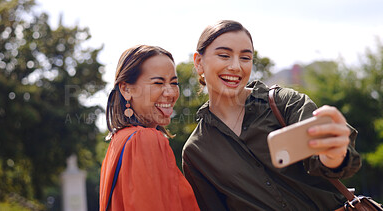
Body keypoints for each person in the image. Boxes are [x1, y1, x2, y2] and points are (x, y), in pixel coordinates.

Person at [182, 20, 361, 211]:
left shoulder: (285, 103)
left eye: (245, 58)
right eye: (224, 55)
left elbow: (331, 161)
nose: (235, 67)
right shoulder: (196, 152)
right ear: (199, 62)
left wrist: (334, 154)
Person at [100, 45, 199, 211]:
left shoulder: (118, 141)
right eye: (158, 83)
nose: (170, 93)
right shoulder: (144, 140)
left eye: (174, 83)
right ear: (126, 89)